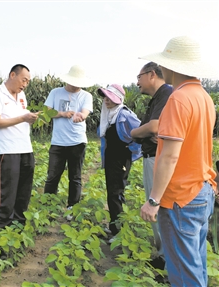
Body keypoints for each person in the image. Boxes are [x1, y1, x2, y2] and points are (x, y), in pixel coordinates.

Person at [140, 35, 217, 286]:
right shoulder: (204, 98)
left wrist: (153, 200)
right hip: (201, 190)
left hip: (180, 197)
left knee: (185, 275)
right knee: (196, 265)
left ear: (172, 66)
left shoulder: (178, 99)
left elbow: (170, 155)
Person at [0, 64, 39, 233]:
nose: (25, 84)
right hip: (6, 151)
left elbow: (21, 118)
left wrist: (30, 118)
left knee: (23, 192)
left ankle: (17, 228)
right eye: (24, 80)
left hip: (25, 148)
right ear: (12, 75)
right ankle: (0, 230)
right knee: (6, 192)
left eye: (28, 82)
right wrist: (23, 118)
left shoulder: (21, 96)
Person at [130, 62, 172, 269]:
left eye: (139, 77)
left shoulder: (166, 93)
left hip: (158, 158)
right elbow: (143, 130)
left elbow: (154, 127)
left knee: (159, 208)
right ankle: (163, 256)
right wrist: (140, 132)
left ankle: (165, 260)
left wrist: (137, 133)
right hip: (153, 156)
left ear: (151, 75)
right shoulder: (157, 98)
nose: (137, 82)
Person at [43, 65, 93, 220]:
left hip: (77, 142)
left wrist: (81, 116)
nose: (76, 85)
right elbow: (46, 111)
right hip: (58, 142)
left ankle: (72, 207)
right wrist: (62, 113)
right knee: (52, 175)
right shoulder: (55, 93)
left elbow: (85, 112)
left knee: (75, 177)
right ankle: (48, 206)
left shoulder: (86, 96)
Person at [98, 84, 141, 242]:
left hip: (120, 159)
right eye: (105, 97)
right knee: (112, 192)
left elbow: (141, 130)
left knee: (116, 193)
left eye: (110, 98)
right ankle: (114, 226)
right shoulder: (110, 115)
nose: (106, 101)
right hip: (111, 159)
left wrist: (133, 151)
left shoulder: (124, 114)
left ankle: (119, 232)